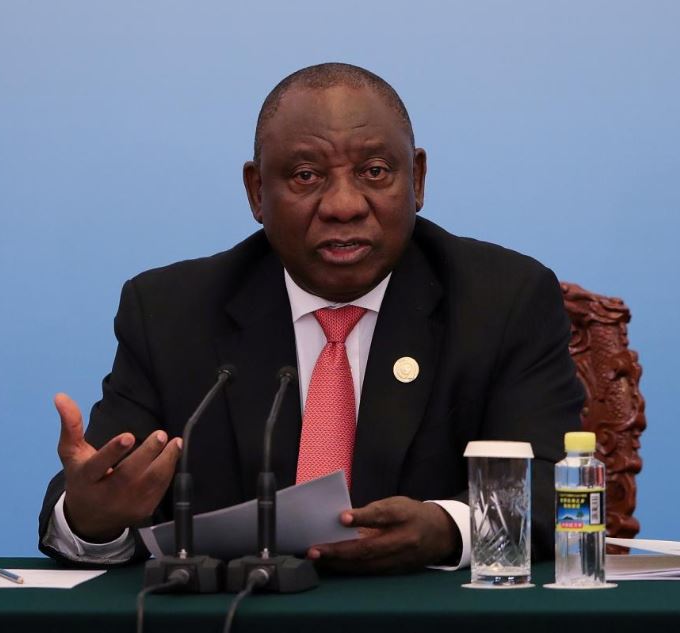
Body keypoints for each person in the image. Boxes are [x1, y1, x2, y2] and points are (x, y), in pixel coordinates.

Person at [39, 63, 584, 573]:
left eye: (374, 171)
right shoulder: (169, 312)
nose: (343, 204)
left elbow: (554, 493)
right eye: (305, 175)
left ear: (416, 178)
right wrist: (92, 517)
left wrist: (447, 528)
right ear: (257, 192)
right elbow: (94, 494)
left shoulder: (503, 299)